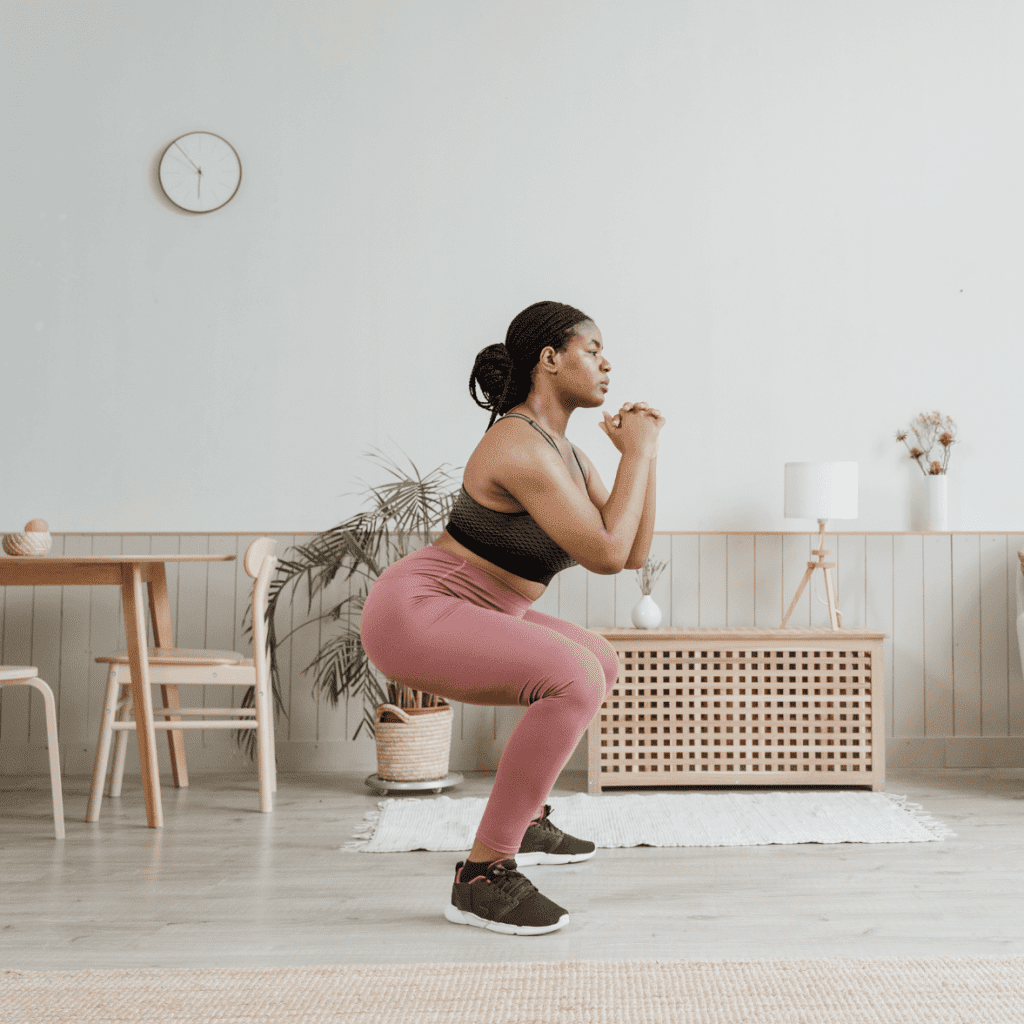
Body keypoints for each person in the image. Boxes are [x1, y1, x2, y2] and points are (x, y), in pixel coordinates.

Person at [360, 300, 664, 934]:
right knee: (575, 677)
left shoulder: (571, 456)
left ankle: (523, 820)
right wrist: (635, 451)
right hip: (420, 609)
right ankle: (483, 875)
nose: (607, 362)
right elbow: (606, 555)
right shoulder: (517, 445)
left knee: (598, 661)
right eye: (592, 348)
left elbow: (633, 550)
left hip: (482, 606)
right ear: (548, 359)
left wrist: (645, 456)